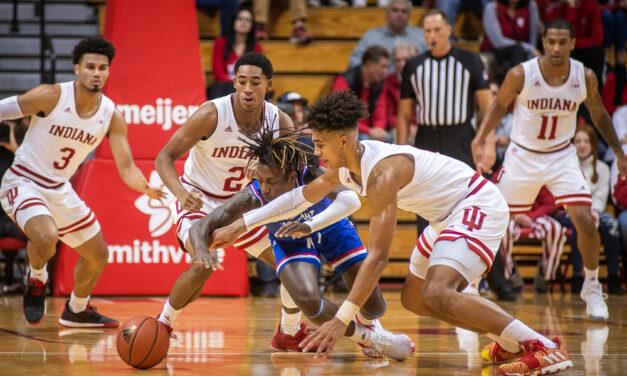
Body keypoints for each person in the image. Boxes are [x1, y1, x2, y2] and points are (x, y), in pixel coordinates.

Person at [210, 90, 573, 375]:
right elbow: (298, 197)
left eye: (320, 144)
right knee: (416, 300)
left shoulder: (382, 173)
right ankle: (508, 341)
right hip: (444, 216)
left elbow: (380, 256)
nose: (316, 153)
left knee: (438, 291)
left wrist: (341, 320)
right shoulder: (345, 169)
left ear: (342, 142)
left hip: (474, 204)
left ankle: (543, 346)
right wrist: (240, 225)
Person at [188, 128, 413, 359]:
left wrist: (310, 225)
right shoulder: (253, 194)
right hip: (290, 241)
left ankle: (368, 322)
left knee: (375, 306)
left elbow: (350, 200)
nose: (264, 187)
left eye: (271, 181)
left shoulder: (313, 173)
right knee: (308, 301)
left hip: (332, 229)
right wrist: (201, 250)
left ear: (292, 177)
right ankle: (371, 338)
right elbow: (201, 224)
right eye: (260, 180)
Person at [0, 36, 165, 326]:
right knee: (47, 236)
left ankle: (76, 309)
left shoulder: (112, 116)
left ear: (108, 72)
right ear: (77, 69)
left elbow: (125, 166)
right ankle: (37, 277)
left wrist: (143, 186)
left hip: (59, 189)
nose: (96, 73)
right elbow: (6, 109)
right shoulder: (51, 95)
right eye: (90, 67)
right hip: (23, 181)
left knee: (98, 254)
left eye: (102, 68)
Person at [472, 19, 627, 321]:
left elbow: (598, 113)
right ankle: (472, 280)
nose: (556, 48)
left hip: (561, 156)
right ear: (543, 42)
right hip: (522, 156)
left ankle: (592, 286)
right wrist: (481, 139)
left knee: (586, 218)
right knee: (491, 216)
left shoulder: (585, 76)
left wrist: (619, 152)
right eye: (551, 42)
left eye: (562, 42)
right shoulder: (522, 74)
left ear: (572, 44)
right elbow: (498, 106)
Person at [154, 51, 309, 350]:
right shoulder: (211, 114)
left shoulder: (280, 119)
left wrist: (267, 169)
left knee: (294, 263)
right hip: (201, 201)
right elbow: (164, 158)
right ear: (234, 83)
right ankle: (163, 324)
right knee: (201, 266)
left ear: (268, 84)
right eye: (241, 82)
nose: (248, 88)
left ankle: (289, 331)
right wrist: (181, 194)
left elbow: (293, 174)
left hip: (244, 205)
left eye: (255, 82)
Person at [396, 9, 493, 168]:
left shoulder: (470, 60)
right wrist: (399, 150)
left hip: (461, 138)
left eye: (437, 30)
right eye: (428, 31)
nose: (432, 35)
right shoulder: (413, 66)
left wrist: (489, 144)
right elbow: (404, 114)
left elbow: (487, 107)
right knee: (426, 191)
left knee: (462, 190)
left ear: (449, 30)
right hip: (426, 138)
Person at [564, 125, 622, 294]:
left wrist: (594, 212)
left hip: (596, 211)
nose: (582, 145)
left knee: (611, 224)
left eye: (586, 141)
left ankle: (613, 277)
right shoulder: (567, 168)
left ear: (593, 145)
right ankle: (576, 277)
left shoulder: (603, 167)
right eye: (577, 141)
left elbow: (601, 196)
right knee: (580, 223)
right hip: (570, 212)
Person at [348, 0, 427, 71]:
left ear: (409, 14)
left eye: (404, 11)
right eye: (395, 10)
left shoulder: (421, 36)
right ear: (387, 12)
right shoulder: (371, 37)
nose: (399, 14)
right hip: (379, 85)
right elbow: (354, 62)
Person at [333, 46, 390, 141]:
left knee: (389, 138)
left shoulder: (380, 84)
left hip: (370, 132)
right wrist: (369, 131)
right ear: (369, 64)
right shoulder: (344, 81)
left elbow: (380, 112)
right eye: (383, 66)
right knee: (365, 139)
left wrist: (378, 129)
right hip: (349, 132)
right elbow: (342, 117)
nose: (385, 71)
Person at [545, 0, 604, 91]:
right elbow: (563, 36)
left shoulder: (591, 6)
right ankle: (567, 92)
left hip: (583, 48)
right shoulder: (556, 8)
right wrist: (571, 9)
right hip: (567, 49)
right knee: (565, 50)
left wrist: (576, 43)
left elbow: (598, 39)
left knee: (596, 51)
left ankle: (595, 92)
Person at [208, 7, 263, 100]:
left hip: (248, 90)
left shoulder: (256, 47)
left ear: (251, 25)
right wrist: (237, 84)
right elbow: (218, 73)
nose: (243, 22)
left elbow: (259, 73)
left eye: (248, 20)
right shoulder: (220, 42)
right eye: (240, 19)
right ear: (233, 22)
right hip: (224, 90)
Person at [481, 0, 540, 83]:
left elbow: (533, 38)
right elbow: (498, 42)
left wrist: (530, 51)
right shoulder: (492, 7)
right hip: (497, 51)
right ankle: (519, 85)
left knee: (507, 66)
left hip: (521, 54)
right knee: (516, 49)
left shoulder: (531, 6)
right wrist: (528, 48)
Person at [371, 43, 418, 144]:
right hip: (395, 126)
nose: (402, 64)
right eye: (397, 60)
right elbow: (384, 111)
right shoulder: (388, 81)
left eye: (405, 60)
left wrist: (416, 125)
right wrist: (407, 125)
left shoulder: (420, 79)